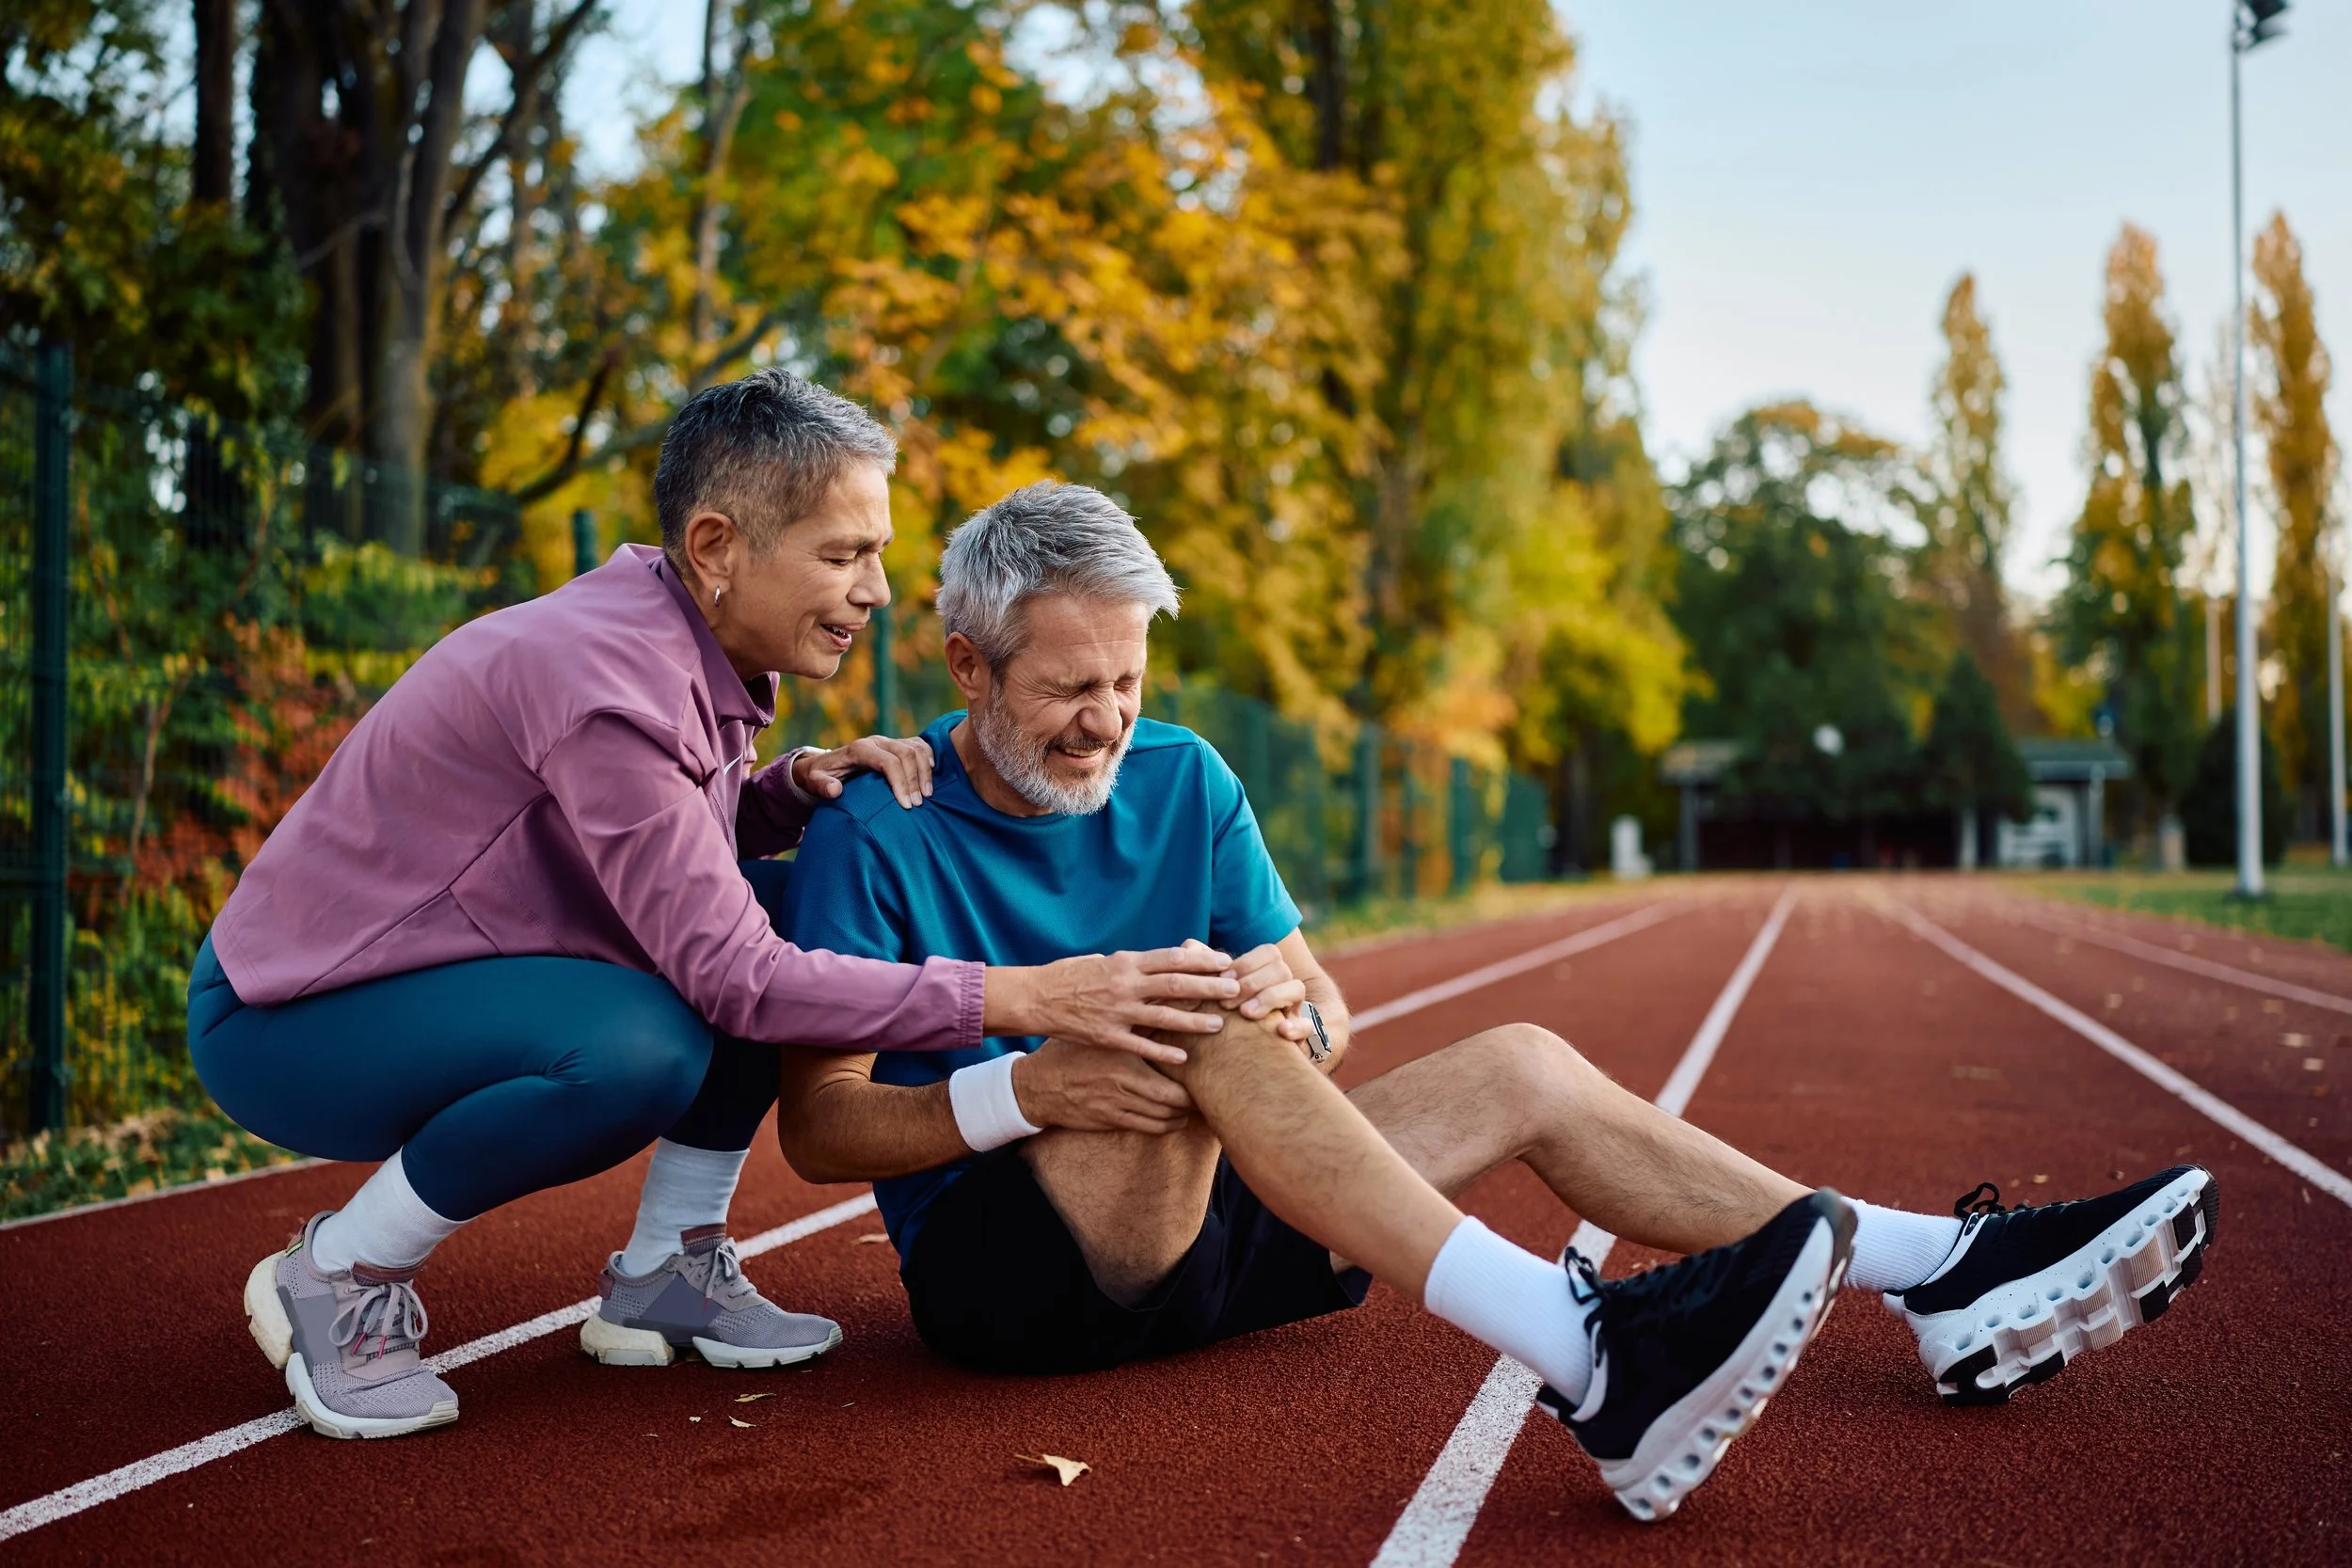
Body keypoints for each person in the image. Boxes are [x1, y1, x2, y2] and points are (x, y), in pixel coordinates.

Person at [769, 481, 2220, 1521]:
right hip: (1017, 1278)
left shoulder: (1189, 776)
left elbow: (1326, 1013)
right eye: (1070, 687)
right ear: (967, 661)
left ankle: (1944, 1270)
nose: (1108, 721)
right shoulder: (871, 825)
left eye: (1132, 682)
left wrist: (1306, 1020)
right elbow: (822, 1131)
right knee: (1188, 1013)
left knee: (1520, 1057)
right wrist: (1029, 1084)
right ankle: (1589, 1352)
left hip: (1226, 1223)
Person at [189, 374, 1247, 1441]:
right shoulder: (607, 680)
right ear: (715, 546)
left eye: (876, 553)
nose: (876, 588)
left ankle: (666, 1266)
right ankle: (340, 1268)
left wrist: (788, 786)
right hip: (292, 1014)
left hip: (444, 971)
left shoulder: (675, 640)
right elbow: (734, 978)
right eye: (843, 555)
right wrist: (1038, 995)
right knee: (642, 1046)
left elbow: (642, 836)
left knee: (785, 904)